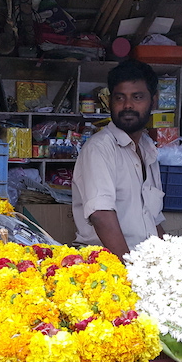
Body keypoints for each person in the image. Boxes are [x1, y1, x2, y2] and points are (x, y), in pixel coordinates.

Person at [72, 60, 165, 258]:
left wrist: (175, 262)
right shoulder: (99, 149)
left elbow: (152, 220)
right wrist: (129, 270)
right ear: (110, 102)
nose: (128, 105)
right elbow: (101, 215)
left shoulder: (149, 151)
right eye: (119, 98)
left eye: (137, 97)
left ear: (153, 101)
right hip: (107, 266)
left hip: (143, 264)